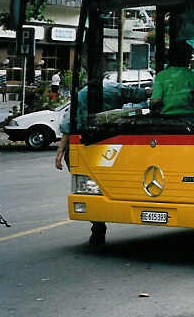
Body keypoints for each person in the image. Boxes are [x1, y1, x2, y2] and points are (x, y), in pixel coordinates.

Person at [55, 78, 148, 247]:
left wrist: (60, 151)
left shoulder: (81, 95)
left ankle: (98, 225)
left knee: (91, 189)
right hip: (112, 145)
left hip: (84, 144)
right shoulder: (115, 88)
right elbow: (140, 96)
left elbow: (69, 124)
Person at [150, 41, 194, 116]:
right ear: (187, 58)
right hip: (191, 121)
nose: (190, 59)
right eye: (190, 56)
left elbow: (155, 101)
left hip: (167, 121)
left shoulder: (161, 76)